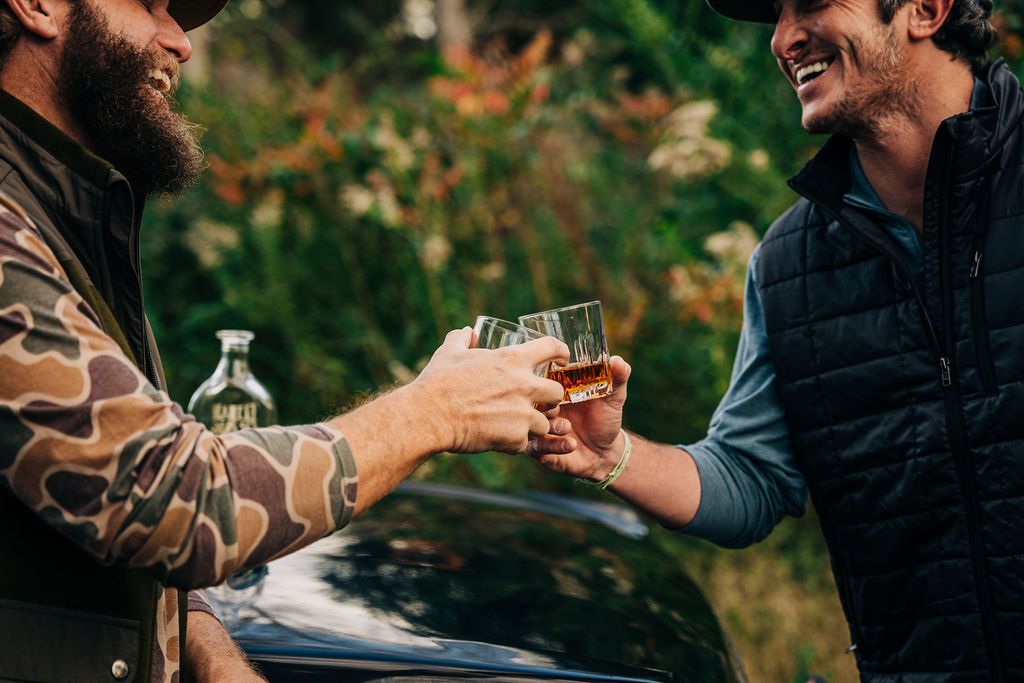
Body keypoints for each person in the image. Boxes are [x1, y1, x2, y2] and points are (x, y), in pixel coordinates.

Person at [0, 0, 569, 680]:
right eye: (148, 4)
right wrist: (436, 410)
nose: (178, 41)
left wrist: (212, 658)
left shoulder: (72, 221)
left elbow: (120, 523)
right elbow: (176, 498)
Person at [529, 0, 1024, 680]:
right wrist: (610, 454)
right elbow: (749, 476)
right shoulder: (788, 264)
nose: (784, 38)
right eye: (777, 14)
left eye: (813, 4)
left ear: (926, 9)